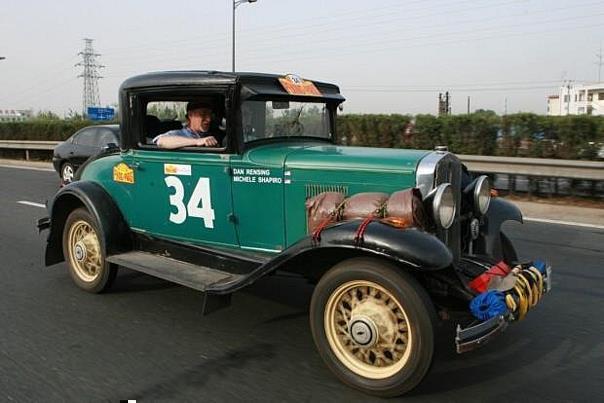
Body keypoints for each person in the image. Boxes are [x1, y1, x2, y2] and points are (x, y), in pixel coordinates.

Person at [153, 101, 222, 149]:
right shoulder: (180, 134)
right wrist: (197, 141)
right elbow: (161, 141)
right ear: (190, 115)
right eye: (203, 114)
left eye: (210, 114)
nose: (209, 119)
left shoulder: (214, 133)